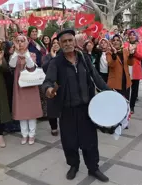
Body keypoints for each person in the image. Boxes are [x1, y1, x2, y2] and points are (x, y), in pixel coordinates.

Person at [42, 29, 110, 182]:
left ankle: (93, 168)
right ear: (59, 44)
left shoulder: (84, 58)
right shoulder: (56, 63)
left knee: (90, 141)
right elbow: (47, 82)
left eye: (70, 40)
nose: (67, 44)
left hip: (87, 109)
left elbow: (96, 77)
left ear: (74, 41)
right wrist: (49, 90)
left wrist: (109, 92)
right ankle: (73, 165)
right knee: (69, 141)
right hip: (67, 110)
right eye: (64, 41)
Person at [9, 34, 43, 145]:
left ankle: (32, 134)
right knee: (21, 111)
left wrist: (25, 53)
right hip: (19, 87)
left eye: (22, 41)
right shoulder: (14, 55)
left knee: (31, 111)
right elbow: (12, 65)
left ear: (26, 43)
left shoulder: (31, 54)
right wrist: (17, 52)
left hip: (31, 86)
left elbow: (31, 66)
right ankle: (24, 135)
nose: (20, 43)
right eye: (18, 41)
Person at [42, 38, 61, 136]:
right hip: (51, 85)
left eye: (58, 43)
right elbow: (44, 68)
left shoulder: (63, 55)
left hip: (62, 85)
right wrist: (53, 59)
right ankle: (53, 127)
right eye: (54, 43)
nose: (56, 44)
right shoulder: (47, 56)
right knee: (52, 108)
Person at [106, 35, 134, 99]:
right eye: (114, 40)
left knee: (126, 103)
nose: (115, 42)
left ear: (121, 42)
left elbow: (131, 63)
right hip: (115, 83)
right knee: (116, 104)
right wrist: (114, 54)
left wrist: (131, 54)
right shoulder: (109, 52)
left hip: (126, 83)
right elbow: (111, 64)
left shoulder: (125, 51)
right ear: (112, 43)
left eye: (117, 40)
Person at [124, 30, 142, 113]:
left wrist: (135, 52)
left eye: (133, 35)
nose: (132, 36)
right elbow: (124, 54)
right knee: (126, 89)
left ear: (136, 36)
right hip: (127, 68)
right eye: (130, 35)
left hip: (136, 69)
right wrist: (129, 52)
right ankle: (125, 105)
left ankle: (132, 106)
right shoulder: (125, 44)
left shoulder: (139, 45)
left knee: (135, 90)